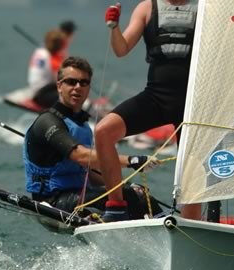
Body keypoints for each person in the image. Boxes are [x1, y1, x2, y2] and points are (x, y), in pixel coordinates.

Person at [95, 0, 200, 220]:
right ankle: (116, 206)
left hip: (191, 104)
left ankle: (192, 224)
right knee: (103, 132)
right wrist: (113, 27)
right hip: (156, 97)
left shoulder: (204, 6)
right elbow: (121, 49)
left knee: (193, 172)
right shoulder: (147, 7)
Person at [23, 56, 162, 223]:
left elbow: (89, 172)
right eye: (71, 82)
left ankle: (166, 232)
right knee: (129, 197)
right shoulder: (47, 122)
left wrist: (117, 185)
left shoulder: (82, 126)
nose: (77, 87)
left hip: (78, 194)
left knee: (137, 194)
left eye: (83, 83)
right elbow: (80, 156)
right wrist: (131, 160)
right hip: (53, 202)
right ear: (59, 86)